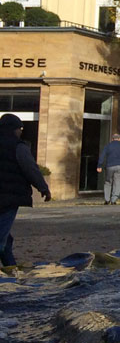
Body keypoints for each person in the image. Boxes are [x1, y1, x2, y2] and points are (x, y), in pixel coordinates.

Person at [0, 114, 51, 269]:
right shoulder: (18, 146)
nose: (21, 132)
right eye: (19, 128)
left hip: (6, 196)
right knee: (1, 236)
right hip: (9, 198)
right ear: (13, 129)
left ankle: (11, 268)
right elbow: (30, 169)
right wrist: (43, 188)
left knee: (5, 238)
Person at [96, 133, 120, 205]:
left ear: (112, 139)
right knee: (118, 182)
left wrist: (99, 165)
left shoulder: (108, 146)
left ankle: (107, 199)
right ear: (119, 139)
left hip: (109, 166)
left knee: (108, 182)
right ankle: (114, 200)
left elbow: (102, 156)